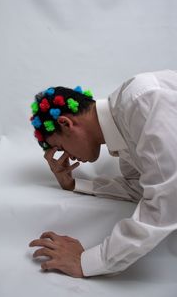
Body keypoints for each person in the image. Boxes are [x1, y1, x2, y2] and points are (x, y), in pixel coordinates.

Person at [28, 69, 177, 278]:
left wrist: (88, 262)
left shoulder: (141, 100)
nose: (67, 157)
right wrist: (73, 184)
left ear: (65, 123)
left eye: (61, 148)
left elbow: (167, 200)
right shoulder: (124, 131)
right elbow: (142, 188)